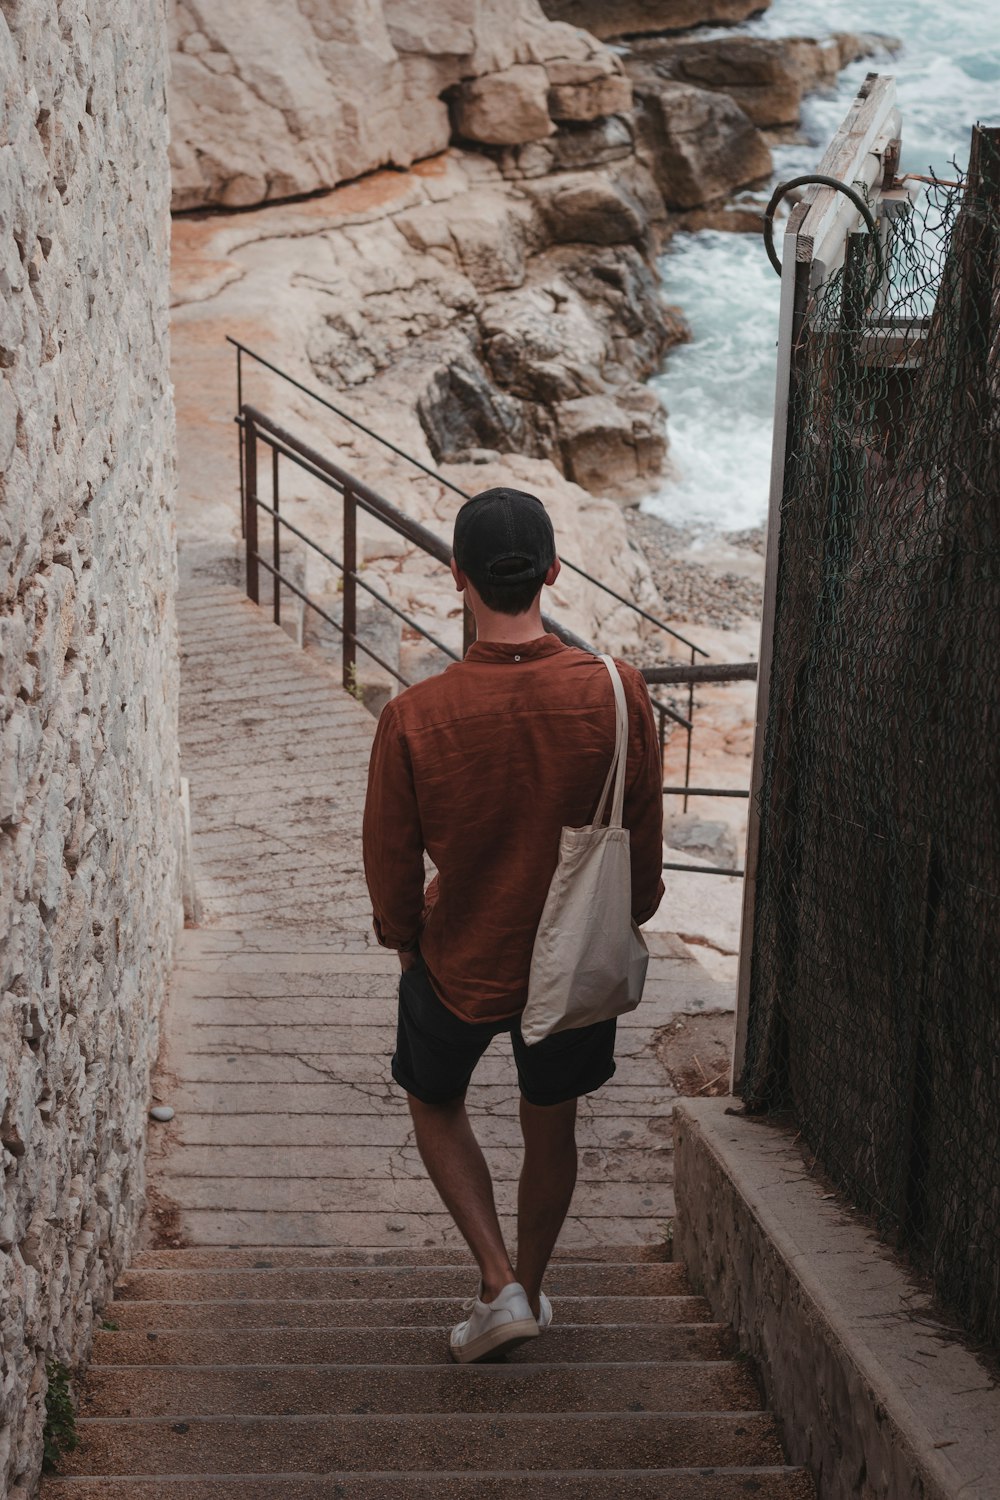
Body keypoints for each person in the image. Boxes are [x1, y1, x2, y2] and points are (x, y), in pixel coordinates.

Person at [362, 486, 664, 1363]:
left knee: (434, 1098)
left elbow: (391, 864)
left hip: (458, 956)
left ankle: (496, 1281)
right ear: (553, 574)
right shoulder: (618, 692)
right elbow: (640, 847)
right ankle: (530, 1282)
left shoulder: (413, 718)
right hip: (573, 962)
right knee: (551, 1120)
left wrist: (403, 937)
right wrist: (626, 918)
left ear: (457, 577)